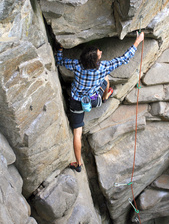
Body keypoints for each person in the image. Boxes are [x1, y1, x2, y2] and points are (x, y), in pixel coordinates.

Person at [55, 32, 144, 172]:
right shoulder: (104, 68)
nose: (101, 52)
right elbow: (124, 59)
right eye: (99, 53)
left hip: (76, 103)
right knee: (105, 79)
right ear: (96, 61)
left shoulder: (76, 65)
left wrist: (60, 50)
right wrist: (137, 41)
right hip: (94, 101)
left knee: (77, 134)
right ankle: (105, 96)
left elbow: (59, 61)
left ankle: (78, 164)